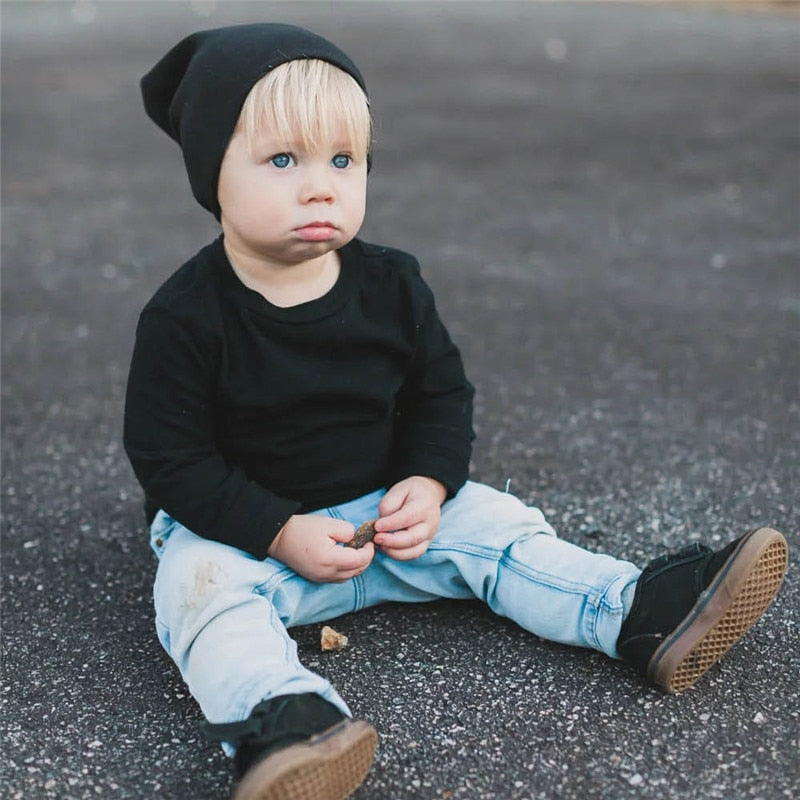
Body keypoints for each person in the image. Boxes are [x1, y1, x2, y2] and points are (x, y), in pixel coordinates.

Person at [125, 22, 789, 800]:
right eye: (282, 160)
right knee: (199, 593)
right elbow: (171, 458)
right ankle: (286, 721)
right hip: (252, 536)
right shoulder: (186, 316)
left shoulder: (392, 285)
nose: (321, 186)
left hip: (392, 521)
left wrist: (431, 482)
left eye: (344, 160)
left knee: (501, 530)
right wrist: (275, 529)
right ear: (211, 172)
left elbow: (441, 395)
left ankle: (635, 609)